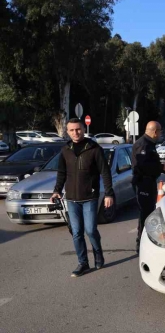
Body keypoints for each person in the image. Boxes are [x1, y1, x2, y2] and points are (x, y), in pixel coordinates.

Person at [51, 118, 114, 277]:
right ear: (67, 131)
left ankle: (98, 253)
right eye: (71, 130)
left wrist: (108, 193)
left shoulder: (94, 148)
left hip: (90, 197)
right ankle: (83, 263)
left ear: (83, 129)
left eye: (78, 129)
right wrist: (57, 190)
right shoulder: (66, 149)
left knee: (91, 230)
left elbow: (105, 172)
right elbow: (62, 173)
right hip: (71, 199)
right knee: (77, 232)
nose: (75, 133)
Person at [131, 121, 165, 253]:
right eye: (160, 131)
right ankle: (141, 244)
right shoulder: (143, 144)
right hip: (143, 183)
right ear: (155, 131)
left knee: (148, 212)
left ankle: (147, 241)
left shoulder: (149, 144)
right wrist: (161, 167)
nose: (160, 134)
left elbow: (150, 164)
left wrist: (163, 168)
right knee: (145, 214)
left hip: (148, 182)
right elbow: (143, 166)